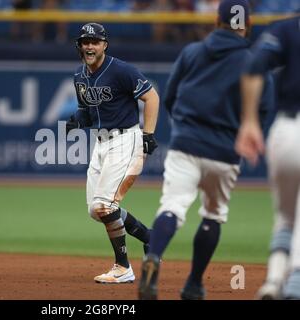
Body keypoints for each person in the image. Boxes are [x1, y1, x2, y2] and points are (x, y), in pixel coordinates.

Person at [138, 0, 273, 300]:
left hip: (187, 143)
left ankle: (153, 259)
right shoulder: (254, 62)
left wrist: (186, 127)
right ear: (247, 25)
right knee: (213, 215)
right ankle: (194, 283)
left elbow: (170, 97)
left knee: (172, 206)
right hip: (225, 151)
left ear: (216, 21)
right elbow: (264, 110)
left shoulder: (193, 52)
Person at [66, 22, 160, 284]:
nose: (89, 46)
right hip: (100, 144)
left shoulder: (120, 70)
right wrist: (77, 120)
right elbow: (89, 111)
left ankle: (123, 267)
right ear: (79, 46)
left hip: (124, 140)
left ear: (104, 45)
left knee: (104, 205)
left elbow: (152, 97)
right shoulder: (79, 76)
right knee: (97, 211)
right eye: (85, 42)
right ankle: (151, 238)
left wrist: (148, 135)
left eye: (95, 41)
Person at [235, 14, 300, 300]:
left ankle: (274, 281)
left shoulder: (287, 28)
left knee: (286, 217)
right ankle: (295, 281)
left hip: (286, 130)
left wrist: (249, 121)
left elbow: (253, 67)